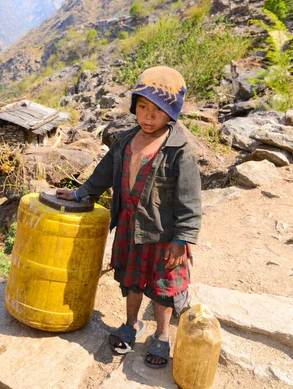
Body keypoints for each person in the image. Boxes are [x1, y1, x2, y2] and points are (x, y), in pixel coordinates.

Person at [56, 66, 201, 369]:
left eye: (157, 111)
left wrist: (182, 238)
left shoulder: (179, 151)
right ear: (135, 106)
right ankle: (132, 324)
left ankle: (161, 335)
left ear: (170, 114)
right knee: (132, 281)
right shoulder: (124, 141)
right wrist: (82, 193)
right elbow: (104, 174)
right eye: (143, 107)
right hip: (129, 227)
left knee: (161, 289)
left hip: (163, 236)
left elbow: (190, 200)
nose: (148, 116)